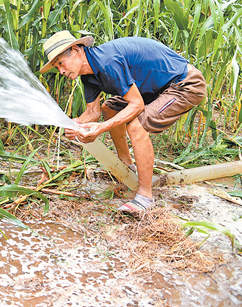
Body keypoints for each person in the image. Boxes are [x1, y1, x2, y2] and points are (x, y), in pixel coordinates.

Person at [39, 31, 206, 213]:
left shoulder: (107, 61)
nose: (61, 71)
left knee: (136, 126)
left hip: (184, 84)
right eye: (57, 68)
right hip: (153, 88)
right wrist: (75, 124)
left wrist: (101, 128)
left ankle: (145, 197)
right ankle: (126, 166)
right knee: (109, 108)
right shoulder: (88, 75)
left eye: (61, 63)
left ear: (76, 50)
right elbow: (92, 113)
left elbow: (137, 105)